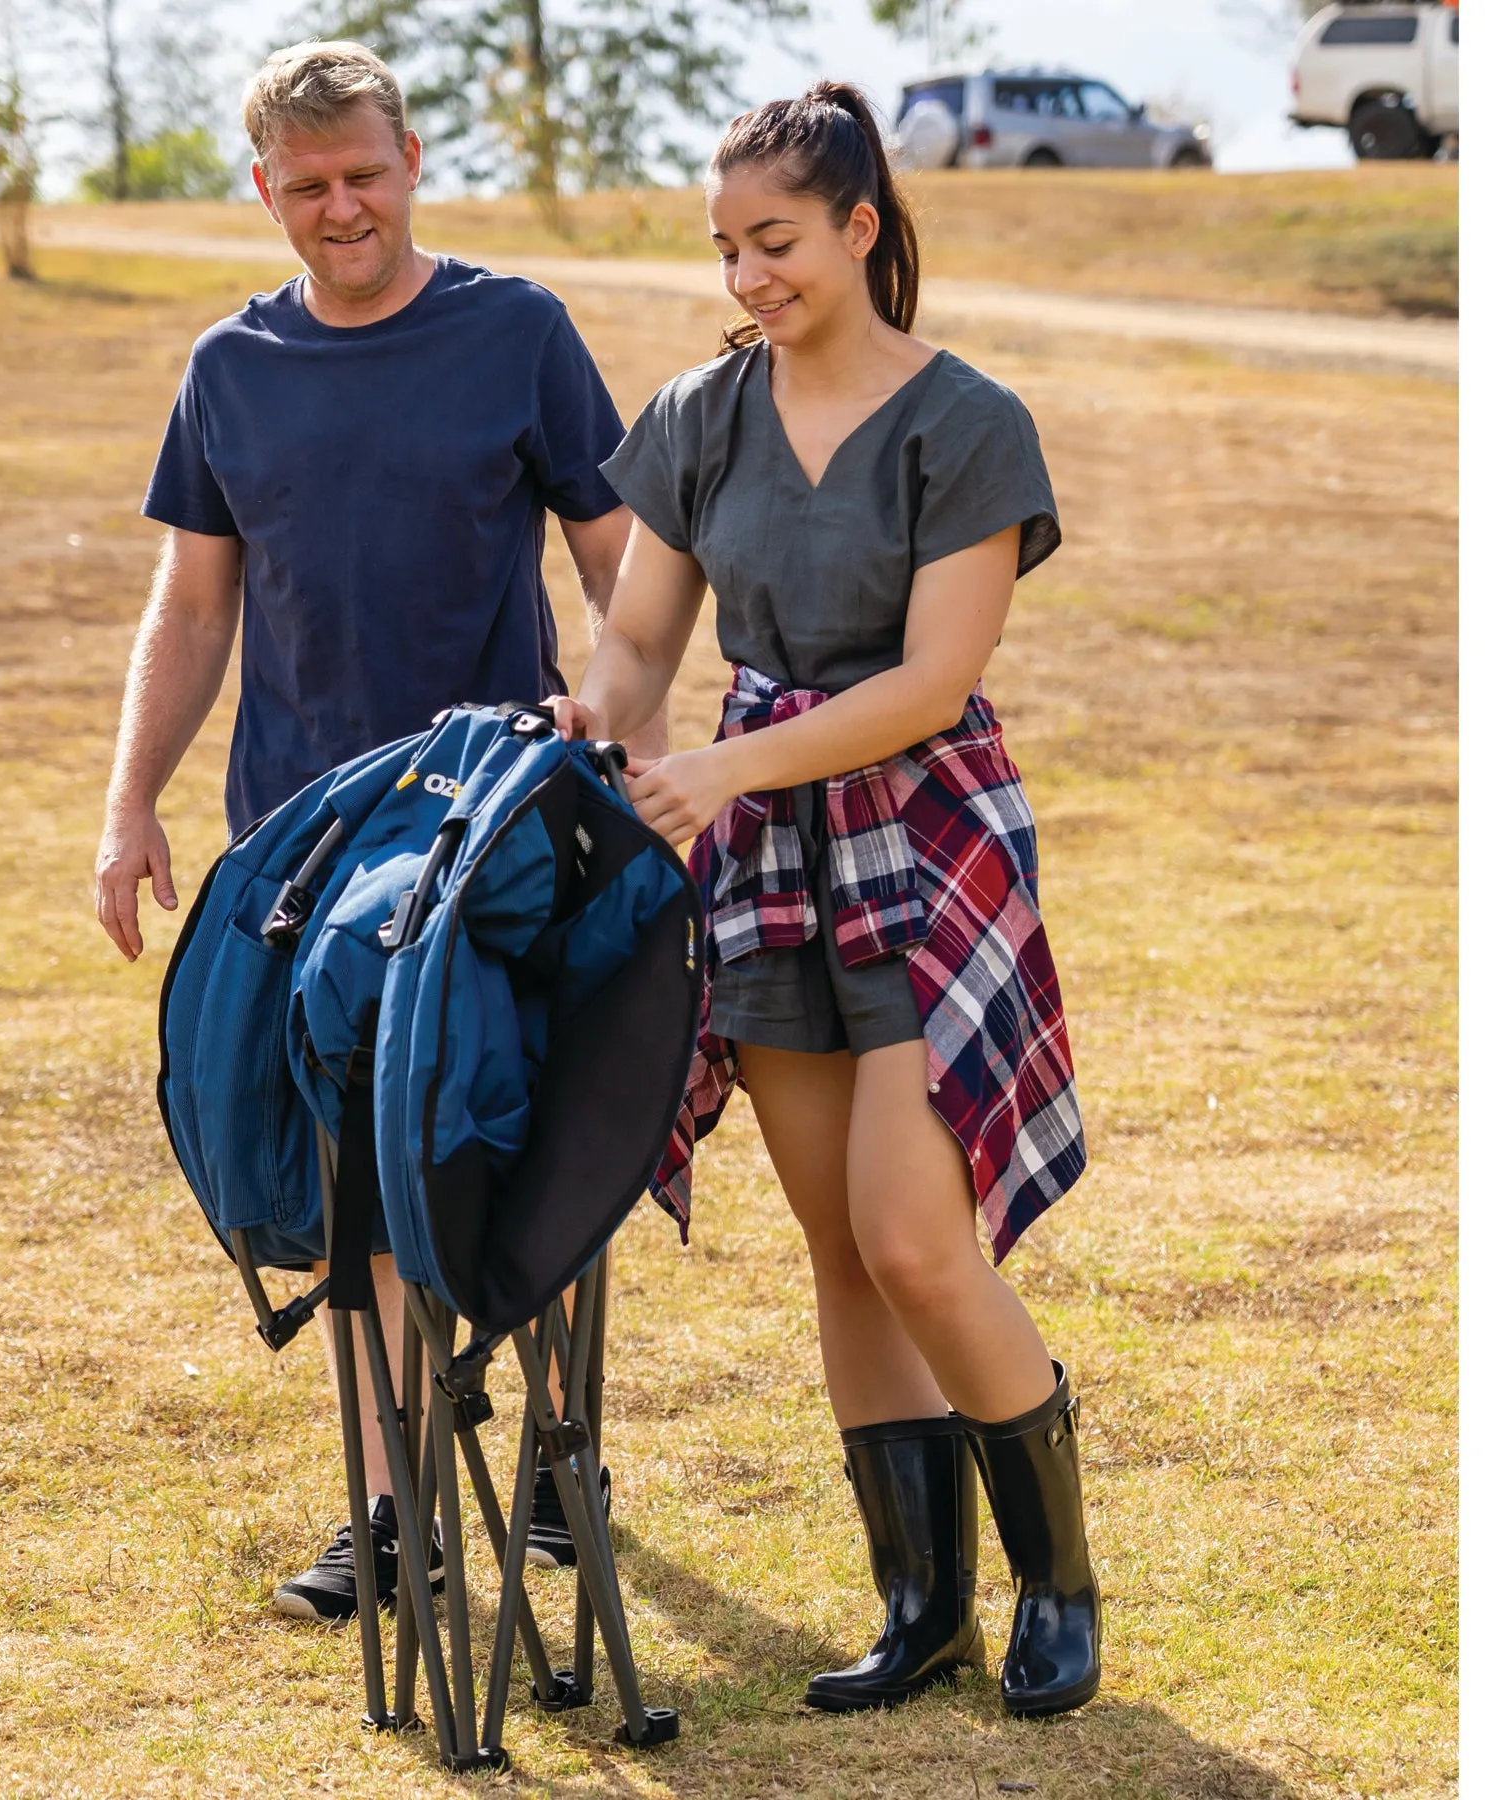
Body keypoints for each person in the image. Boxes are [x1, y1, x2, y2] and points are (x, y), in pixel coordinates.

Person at [550, 83, 1099, 1718]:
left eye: (774, 241)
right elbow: (645, 638)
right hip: (772, 851)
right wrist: (602, 715)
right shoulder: (701, 414)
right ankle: (920, 1606)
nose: (747, 276)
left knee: (918, 1239)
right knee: (840, 1254)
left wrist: (717, 776)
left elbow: (938, 681)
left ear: (862, 228)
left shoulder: (969, 421)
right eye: (725, 246)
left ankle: (1058, 1585)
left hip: (926, 837)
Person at [93, 40, 657, 1623]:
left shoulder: (519, 332)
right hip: (299, 849)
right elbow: (194, 605)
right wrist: (130, 800)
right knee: (353, 1176)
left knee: (515, 1134)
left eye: (368, 174)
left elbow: (617, 564)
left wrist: (636, 745)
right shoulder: (230, 370)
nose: (344, 208)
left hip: (491, 829)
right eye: (310, 184)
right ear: (262, 185)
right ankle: (393, 1509)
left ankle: (556, 1449)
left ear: (414, 160)